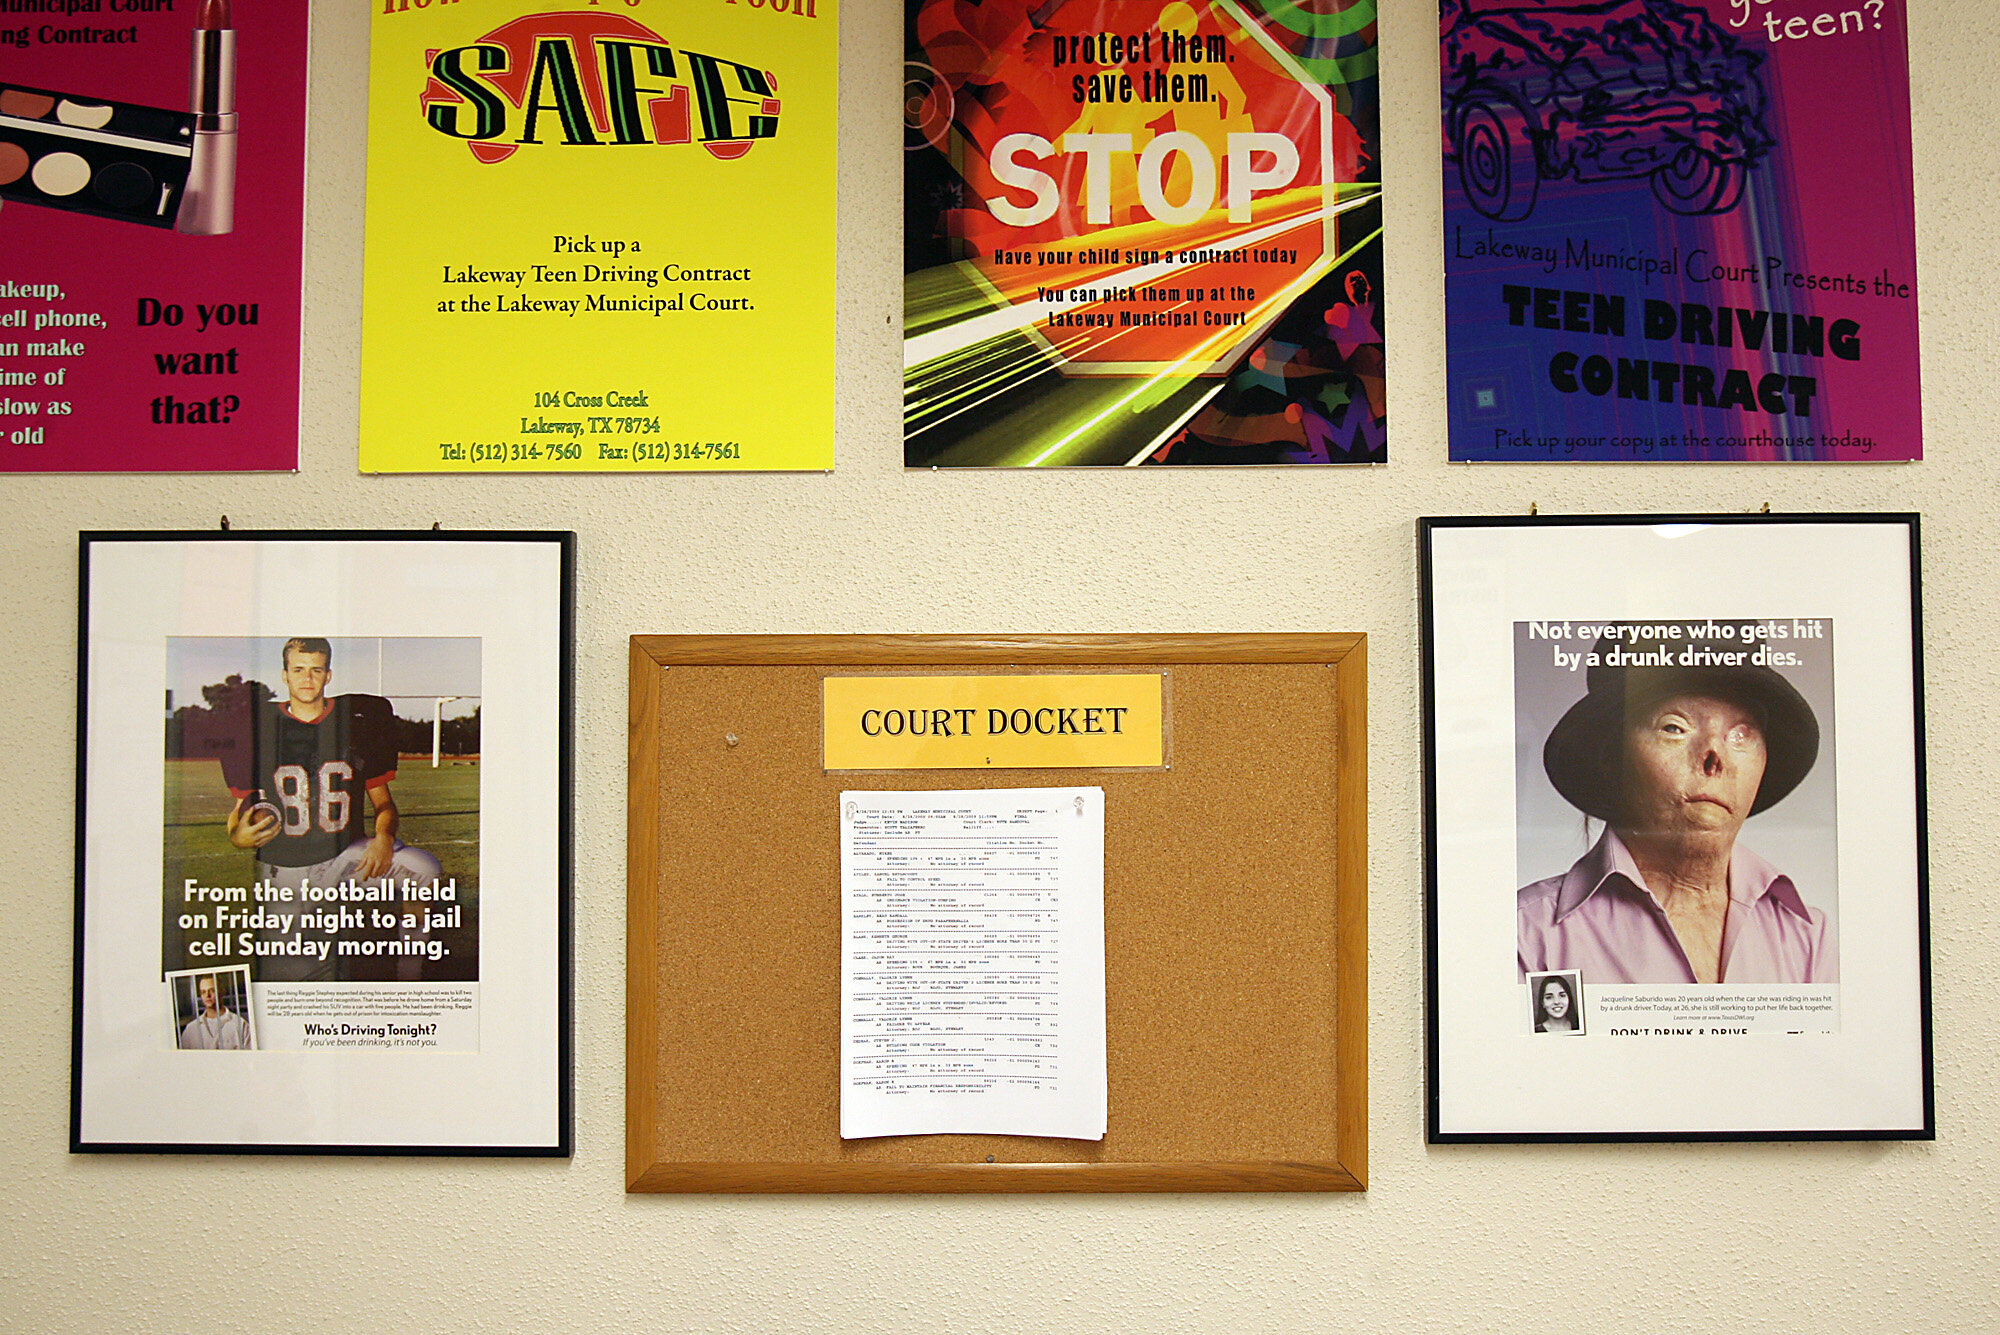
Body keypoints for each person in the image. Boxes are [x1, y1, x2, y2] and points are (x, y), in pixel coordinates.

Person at [1518, 627, 1835, 985]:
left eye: (1741, 735)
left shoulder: (1810, 941)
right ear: (1613, 758)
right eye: (1674, 727)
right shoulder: (1527, 937)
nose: (1715, 756)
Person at [217, 637, 443, 981]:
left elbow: (384, 804)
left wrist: (383, 837)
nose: (307, 678)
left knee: (423, 871)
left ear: (328, 675)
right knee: (304, 975)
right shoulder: (261, 728)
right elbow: (237, 818)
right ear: (285, 675)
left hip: (345, 855)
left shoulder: (358, 723)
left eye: (315, 670)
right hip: (287, 865)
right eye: (298, 670)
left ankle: (408, 977)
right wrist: (237, 836)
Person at [179, 973, 252, 1050]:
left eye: (212, 990)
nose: (207, 995)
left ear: (222, 992)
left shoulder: (240, 1025)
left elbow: (249, 1059)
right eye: (203, 992)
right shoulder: (191, 1029)